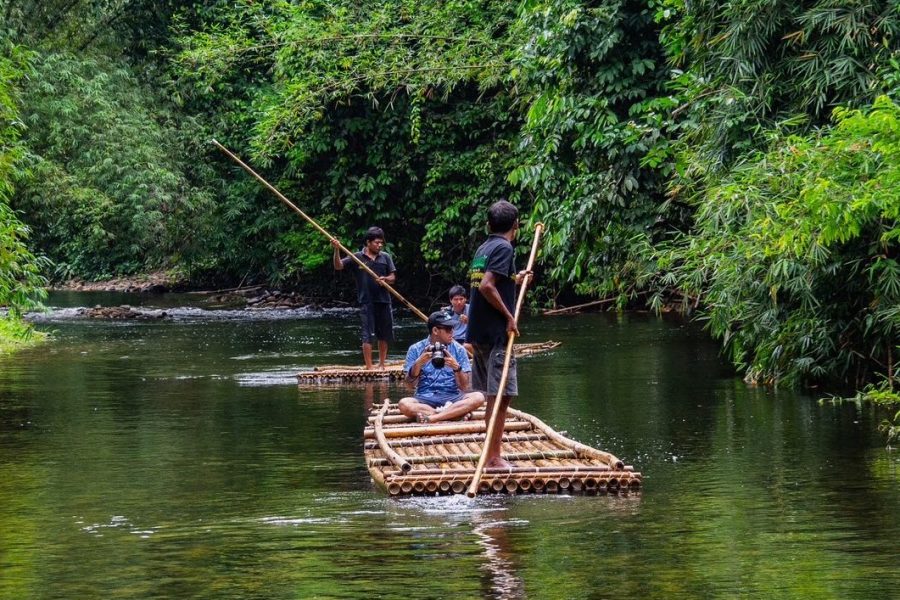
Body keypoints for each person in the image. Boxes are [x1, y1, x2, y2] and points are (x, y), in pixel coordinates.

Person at [466, 200, 531, 468]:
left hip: (479, 332)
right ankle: (493, 458)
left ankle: (491, 454)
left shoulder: (485, 247)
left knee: (496, 396)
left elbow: (492, 278)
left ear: (488, 224)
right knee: (500, 396)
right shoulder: (504, 247)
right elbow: (486, 286)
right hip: (495, 334)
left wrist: (516, 279)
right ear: (515, 225)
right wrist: (509, 316)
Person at [399, 311, 485, 423]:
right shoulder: (415, 349)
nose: (452, 332)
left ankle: (434, 417)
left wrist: (457, 368)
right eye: (448, 329)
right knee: (404, 404)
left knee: (478, 397)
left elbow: (464, 387)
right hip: (424, 399)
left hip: (453, 398)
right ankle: (453, 415)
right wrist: (418, 364)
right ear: (435, 331)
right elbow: (409, 386)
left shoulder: (459, 350)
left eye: (452, 328)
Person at [332, 227, 396, 370]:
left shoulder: (385, 257)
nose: (380, 246)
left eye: (381, 243)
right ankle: (369, 366)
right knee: (368, 335)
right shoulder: (357, 257)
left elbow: (393, 277)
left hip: (384, 300)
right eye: (377, 243)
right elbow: (338, 266)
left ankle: (381, 364)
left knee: (384, 334)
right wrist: (336, 249)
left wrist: (386, 279)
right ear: (368, 242)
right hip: (367, 301)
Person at [446, 284, 472, 353]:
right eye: (456, 299)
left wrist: (469, 321)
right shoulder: (446, 313)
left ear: (465, 299)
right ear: (451, 300)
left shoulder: (471, 309)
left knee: (467, 346)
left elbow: (481, 328)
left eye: (461, 299)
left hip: (468, 340)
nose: (459, 302)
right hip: (453, 341)